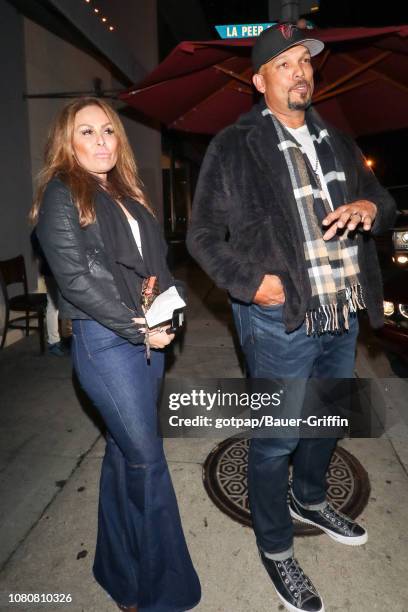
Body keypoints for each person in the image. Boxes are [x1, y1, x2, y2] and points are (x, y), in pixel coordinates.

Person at [187, 24, 395, 612]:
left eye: (305, 60)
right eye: (284, 63)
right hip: (281, 318)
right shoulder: (235, 144)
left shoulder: (338, 141)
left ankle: (310, 497)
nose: (300, 70)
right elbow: (202, 236)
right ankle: (276, 549)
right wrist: (254, 285)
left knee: (326, 419)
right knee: (276, 438)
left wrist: (368, 207)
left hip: (341, 307)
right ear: (259, 81)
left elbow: (385, 202)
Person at [30, 98, 201, 612]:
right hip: (107, 344)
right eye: (87, 132)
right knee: (148, 462)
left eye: (108, 130)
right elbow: (77, 282)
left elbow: (159, 267)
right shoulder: (63, 194)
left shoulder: (127, 192)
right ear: (68, 141)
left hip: (145, 342)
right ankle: (160, 594)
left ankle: (118, 573)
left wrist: (171, 314)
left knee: (124, 456)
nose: (101, 140)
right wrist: (137, 327)